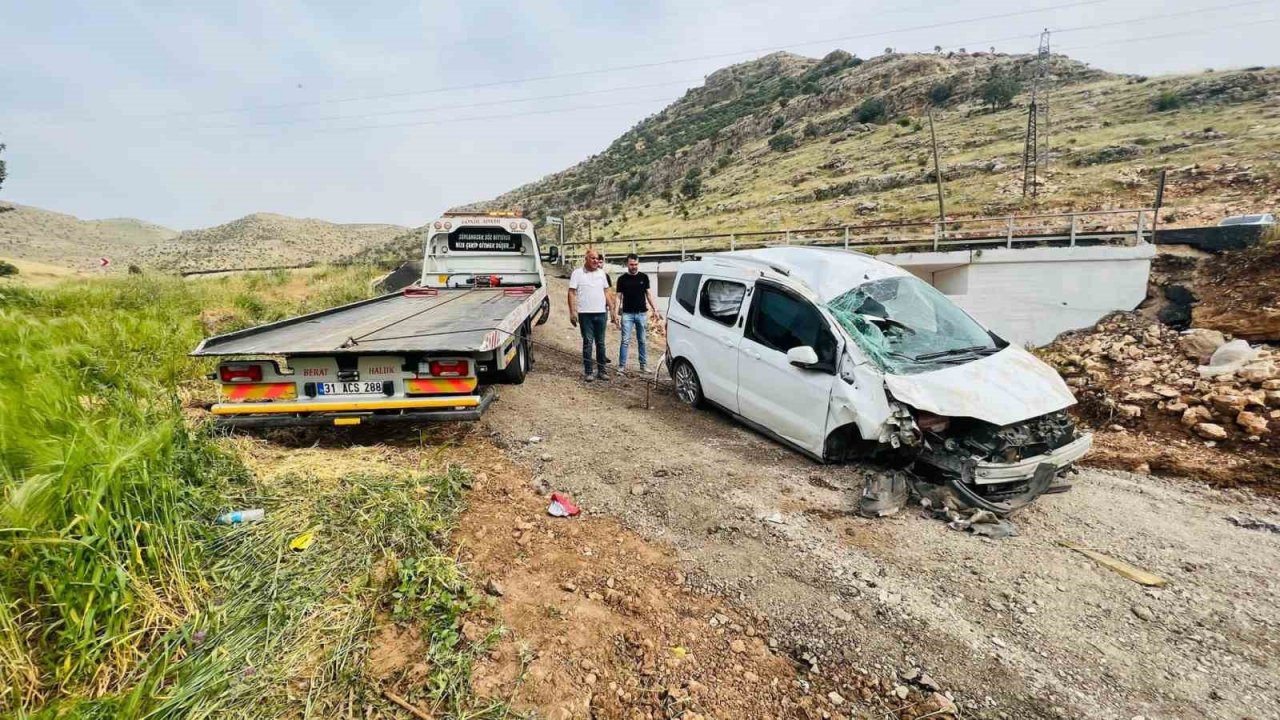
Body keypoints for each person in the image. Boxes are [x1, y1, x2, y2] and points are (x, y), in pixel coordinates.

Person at [568, 250, 615, 382]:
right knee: (588, 342)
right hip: (585, 314)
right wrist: (572, 312)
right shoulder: (577, 273)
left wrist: (612, 310)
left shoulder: (601, 274)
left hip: (601, 313)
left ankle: (602, 371)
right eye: (592, 258)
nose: (595, 261)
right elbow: (571, 293)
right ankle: (588, 372)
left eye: (597, 258)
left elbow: (606, 292)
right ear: (586, 259)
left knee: (601, 343)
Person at [613, 253, 663, 375]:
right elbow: (618, 297)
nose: (634, 267)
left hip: (642, 314)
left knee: (642, 340)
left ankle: (643, 365)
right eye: (631, 264)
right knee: (625, 341)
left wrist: (655, 309)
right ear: (627, 264)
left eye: (636, 264)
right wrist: (615, 313)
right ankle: (621, 367)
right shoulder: (622, 279)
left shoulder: (644, 277)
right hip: (627, 314)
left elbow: (648, 294)